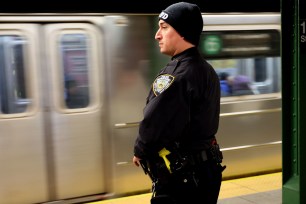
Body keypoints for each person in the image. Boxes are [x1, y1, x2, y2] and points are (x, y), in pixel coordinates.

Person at [133, 2, 225, 204]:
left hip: (182, 181)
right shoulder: (206, 70)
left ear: (183, 32)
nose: (157, 35)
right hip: (208, 171)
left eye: (164, 28)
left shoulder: (176, 75)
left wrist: (140, 150)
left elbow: (153, 122)